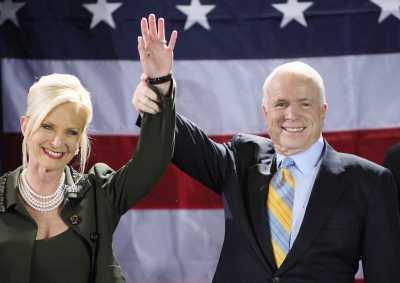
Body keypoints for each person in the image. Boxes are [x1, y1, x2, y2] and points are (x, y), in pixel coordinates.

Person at [133, 14, 400, 283]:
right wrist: (160, 84)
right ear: (265, 111)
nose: (291, 114)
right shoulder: (241, 159)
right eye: (281, 104)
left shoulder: (369, 182)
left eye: (305, 103)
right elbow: (185, 145)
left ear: (323, 111)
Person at [0, 34, 176, 283]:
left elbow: (153, 160)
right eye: (47, 126)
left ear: (80, 140)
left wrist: (160, 82)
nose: (58, 142)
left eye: (71, 132)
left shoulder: (97, 195)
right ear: (26, 126)